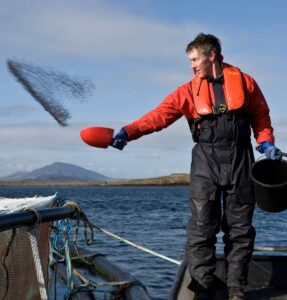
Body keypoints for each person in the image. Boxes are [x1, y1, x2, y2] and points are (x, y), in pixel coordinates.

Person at [111, 33, 281, 300]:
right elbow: (159, 115)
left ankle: (236, 289)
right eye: (190, 60)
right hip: (205, 161)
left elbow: (261, 116)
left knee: (240, 230)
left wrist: (266, 142)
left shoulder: (246, 82)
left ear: (211, 55)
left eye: (194, 59)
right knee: (202, 229)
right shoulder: (187, 91)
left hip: (241, 159)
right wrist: (128, 132)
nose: (192, 65)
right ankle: (203, 288)